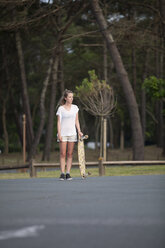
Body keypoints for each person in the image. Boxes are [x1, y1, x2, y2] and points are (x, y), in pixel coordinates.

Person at [56, 89, 83, 180]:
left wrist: (79, 131)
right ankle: (62, 173)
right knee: (63, 153)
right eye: (70, 97)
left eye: (72, 97)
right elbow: (58, 122)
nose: (71, 99)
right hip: (63, 134)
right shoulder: (61, 109)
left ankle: (68, 173)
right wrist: (59, 134)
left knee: (70, 154)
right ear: (65, 98)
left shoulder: (75, 108)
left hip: (72, 133)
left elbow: (76, 121)